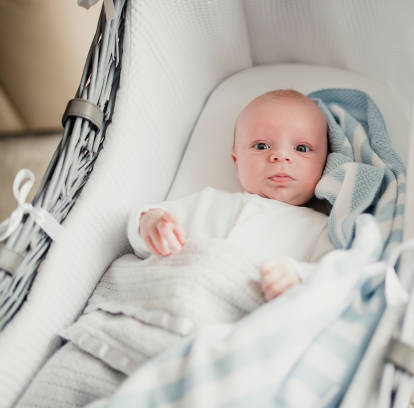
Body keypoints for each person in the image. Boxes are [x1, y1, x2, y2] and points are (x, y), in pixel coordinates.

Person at [128, 89, 333, 302]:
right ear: (237, 163)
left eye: (302, 148)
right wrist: (148, 222)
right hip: (176, 297)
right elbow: (144, 234)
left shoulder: (321, 228)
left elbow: (335, 276)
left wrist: (299, 276)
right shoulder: (210, 203)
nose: (280, 156)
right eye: (261, 146)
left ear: (325, 164)